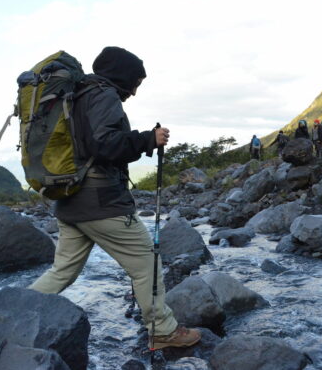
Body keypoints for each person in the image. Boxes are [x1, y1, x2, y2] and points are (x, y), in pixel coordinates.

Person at [29, 46, 201, 350]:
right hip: (100, 202)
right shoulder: (103, 95)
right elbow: (104, 145)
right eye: (134, 83)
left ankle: (13, 310)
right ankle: (162, 330)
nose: (134, 92)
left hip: (69, 200)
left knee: (62, 272)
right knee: (147, 263)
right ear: (122, 77)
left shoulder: (78, 94)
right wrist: (148, 139)